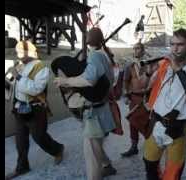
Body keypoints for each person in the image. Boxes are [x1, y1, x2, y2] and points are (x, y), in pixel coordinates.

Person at [143, 28, 186, 180]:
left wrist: (179, 70)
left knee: (172, 174)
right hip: (156, 123)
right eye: (172, 44)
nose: (175, 48)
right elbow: (147, 87)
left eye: (180, 44)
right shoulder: (164, 66)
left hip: (178, 128)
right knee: (149, 164)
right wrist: (148, 73)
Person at [54, 27, 117, 180]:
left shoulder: (96, 56)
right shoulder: (104, 56)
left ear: (89, 40)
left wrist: (66, 81)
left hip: (94, 112)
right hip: (99, 108)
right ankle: (107, 166)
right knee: (95, 145)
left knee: (91, 154)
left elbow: (89, 80)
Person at [5, 41, 65, 180]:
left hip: (35, 109)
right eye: (17, 51)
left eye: (20, 52)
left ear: (30, 53)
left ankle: (57, 149)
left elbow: (35, 89)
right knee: (20, 141)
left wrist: (18, 76)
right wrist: (8, 79)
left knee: (39, 137)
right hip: (19, 109)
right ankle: (22, 167)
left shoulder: (41, 67)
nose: (17, 55)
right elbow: (12, 86)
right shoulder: (19, 66)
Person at [121, 42, 157, 157]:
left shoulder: (150, 64)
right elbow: (125, 81)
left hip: (148, 97)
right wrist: (126, 95)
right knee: (133, 122)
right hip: (134, 97)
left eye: (138, 48)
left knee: (149, 122)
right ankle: (134, 146)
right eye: (134, 48)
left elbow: (154, 79)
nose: (136, 51)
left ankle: (152, 144)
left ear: (143, 50)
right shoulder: (130, 66)